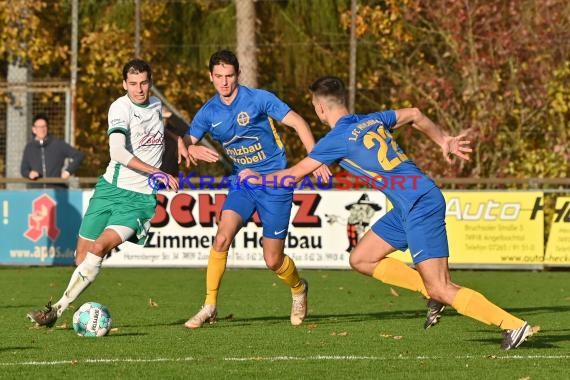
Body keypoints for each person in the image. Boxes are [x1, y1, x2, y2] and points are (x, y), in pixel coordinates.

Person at [239, 76, 534, 350]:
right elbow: (416, 113)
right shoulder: (373, 119)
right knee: (362, 258)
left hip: (419, 203)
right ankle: (429, 291)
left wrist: (255, 177)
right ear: (344, 101)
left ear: (319, 108)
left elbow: (291, 176)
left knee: (442, 287)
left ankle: (512, 325)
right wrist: (444, 139)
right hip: (409, 203)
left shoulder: (335, 139)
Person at [27, 59, 186, 327]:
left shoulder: (157, 106)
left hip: (139, 200)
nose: (139, 89)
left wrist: (180, 141)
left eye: (144, 83)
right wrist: (156, 171)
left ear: (151, 83)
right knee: (81, 258)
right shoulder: (120, 108)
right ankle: (70, 306)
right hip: (108, 191)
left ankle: (55, 310)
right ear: (125, 84)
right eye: (133, 84)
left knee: (99, 247)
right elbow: (118, 152)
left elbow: (160, 128)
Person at [182, 50, 331, 329]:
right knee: (221, 238)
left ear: (238, 75)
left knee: (273, 260)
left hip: (276, 183)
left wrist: (316, 159)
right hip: (243, 182)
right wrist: (189, 146)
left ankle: (298, 288)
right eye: (219, 77)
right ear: (211, 77)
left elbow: (299, 122)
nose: (224, 83)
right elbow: (186, 138)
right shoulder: (209, 112)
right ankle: (209, 305)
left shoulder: (259, 99)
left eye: (229, 76)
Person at [20, 113, 85, 188]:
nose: (42, 129)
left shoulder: (58, 144)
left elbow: (79, 155)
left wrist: (68, 171)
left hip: (57, 191)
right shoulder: (29, 148)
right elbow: (23, 169)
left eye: (44, 126)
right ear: (34, 129)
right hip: (36, 192)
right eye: (39, 127)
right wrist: (29, 173)